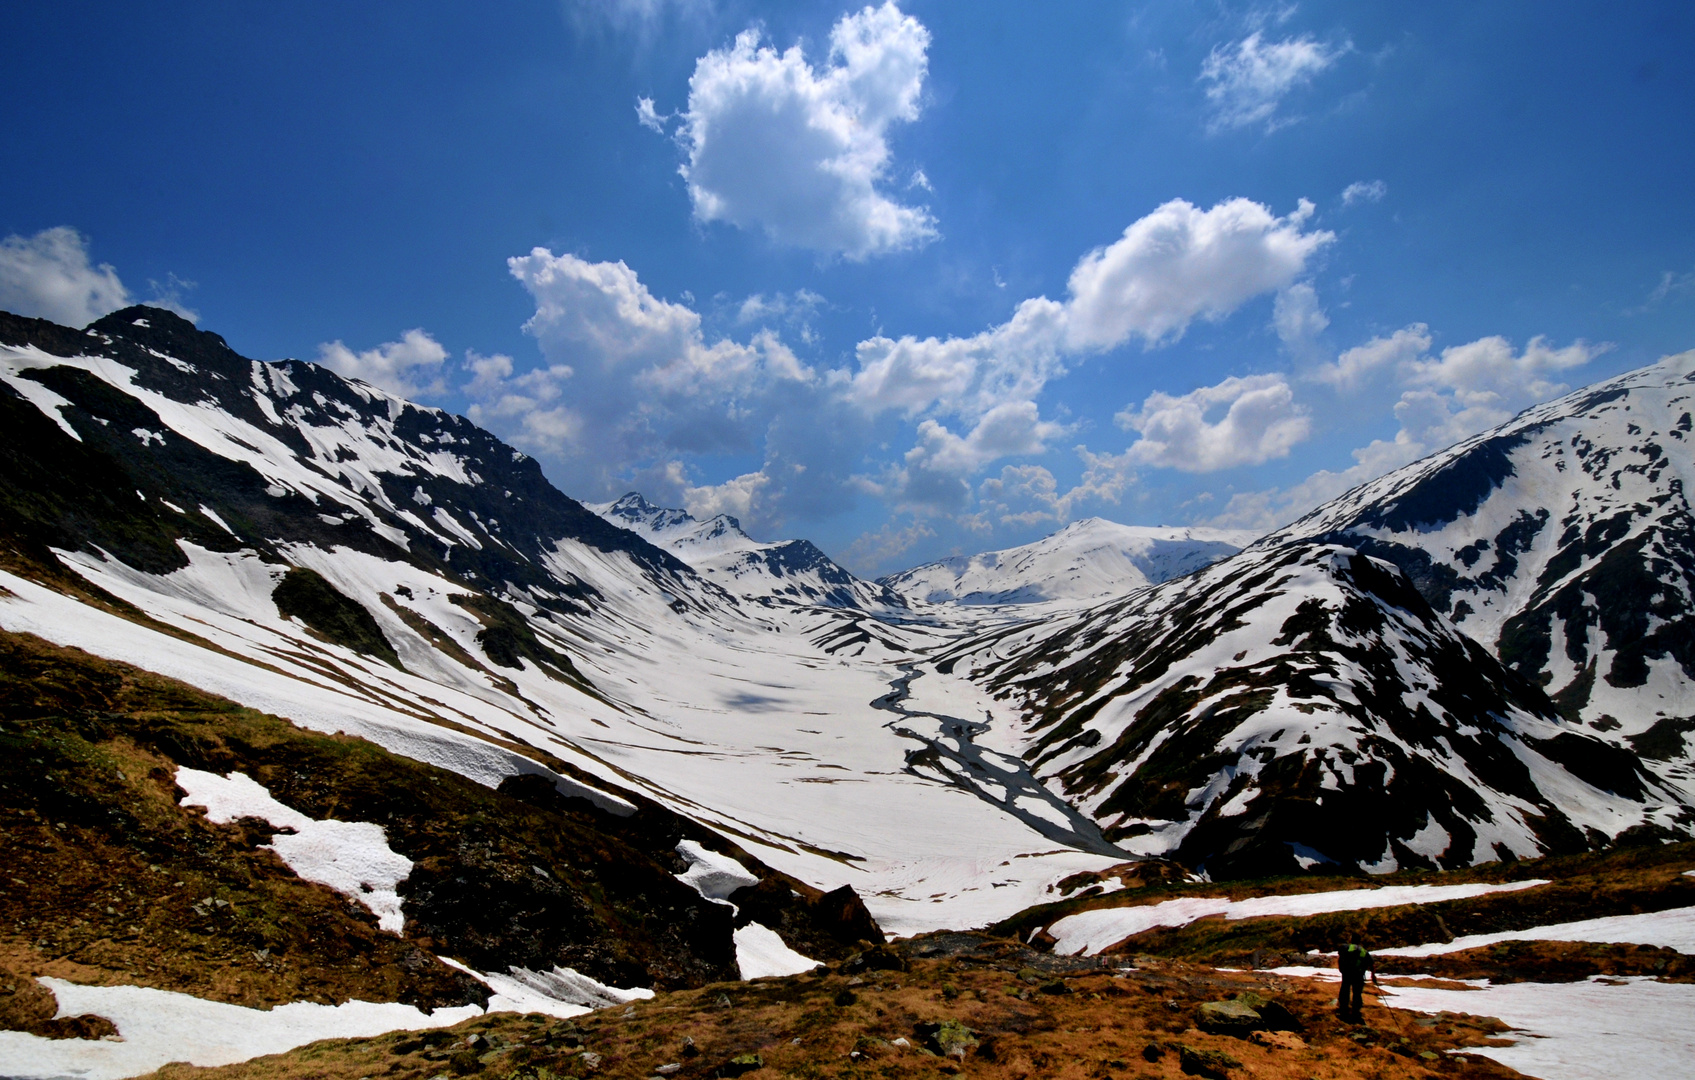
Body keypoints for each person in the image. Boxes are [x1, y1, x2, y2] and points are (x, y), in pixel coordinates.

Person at [1337, 938, 1378, 1019]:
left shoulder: (1345, 947)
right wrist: (1373, 976)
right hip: (1358, 975)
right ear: (1359, 941)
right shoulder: (1364, 951)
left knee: (1345, 990)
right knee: (1357, 993)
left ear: (1350, 940)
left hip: (1347, 973)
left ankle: (1343, 1010)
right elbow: (1372, 965)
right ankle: (1356, 1012)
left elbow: (1340, 957)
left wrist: (1341, 969)